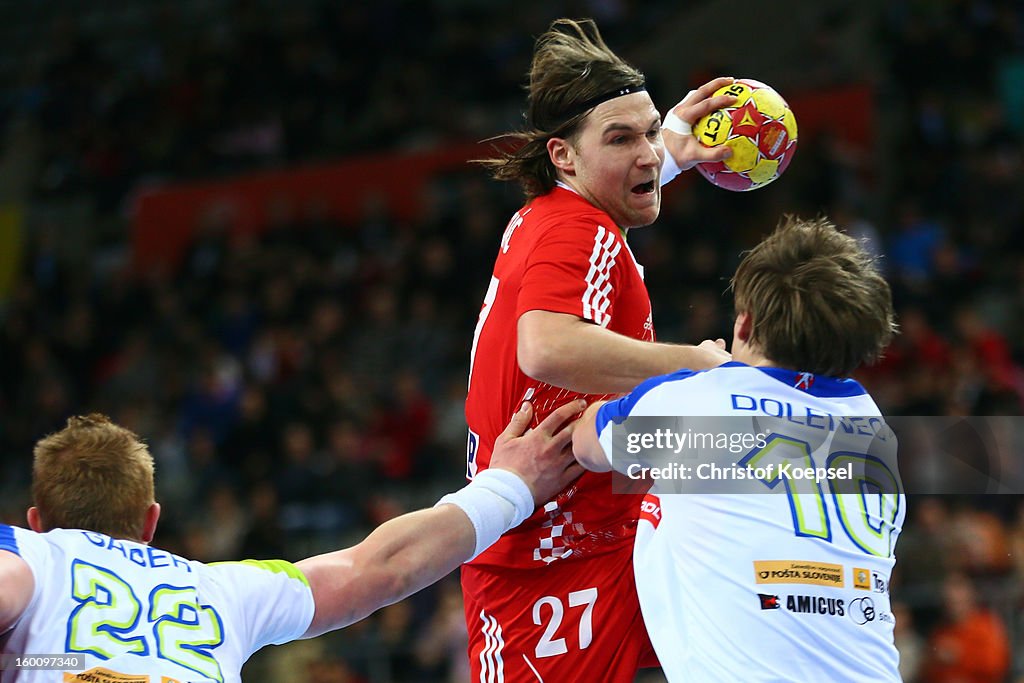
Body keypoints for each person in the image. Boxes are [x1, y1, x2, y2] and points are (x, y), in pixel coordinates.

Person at [463, 17, 734, 682]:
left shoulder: (553, 212)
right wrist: (698, 365)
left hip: (600, 529)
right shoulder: (579, 231)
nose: (646, 153)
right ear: (563, 155)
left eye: (647, 131)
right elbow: (545, 346)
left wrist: (670, 145)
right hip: (544, 561)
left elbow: (612, 181)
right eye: (624, 138)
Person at [0, 399, 584, 683]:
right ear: (152, 522)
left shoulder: (28, 557)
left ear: (36, 522)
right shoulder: (220, 588)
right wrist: (512, 487)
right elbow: (383, 568)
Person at [573, 217, 906, 681]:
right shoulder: (874, 427)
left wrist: (694, 364)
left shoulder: (697, 399)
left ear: (744, 324)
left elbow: (587, 443)